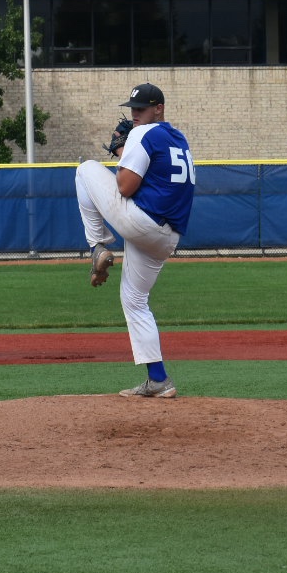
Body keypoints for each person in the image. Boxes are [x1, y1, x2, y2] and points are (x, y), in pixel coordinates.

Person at [73, 82, 195, 398]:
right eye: (133, 109)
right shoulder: (179, 139)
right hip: (167, 237)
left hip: (142, 222)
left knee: (85, 170)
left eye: (141, 108)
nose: (135, 114)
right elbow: (155, 177)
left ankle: (97, 246)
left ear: (159, 108)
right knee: (135, 300)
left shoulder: (143, 134)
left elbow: (125, 187)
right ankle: (158, 379)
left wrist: (121, 150)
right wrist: (125, 151)